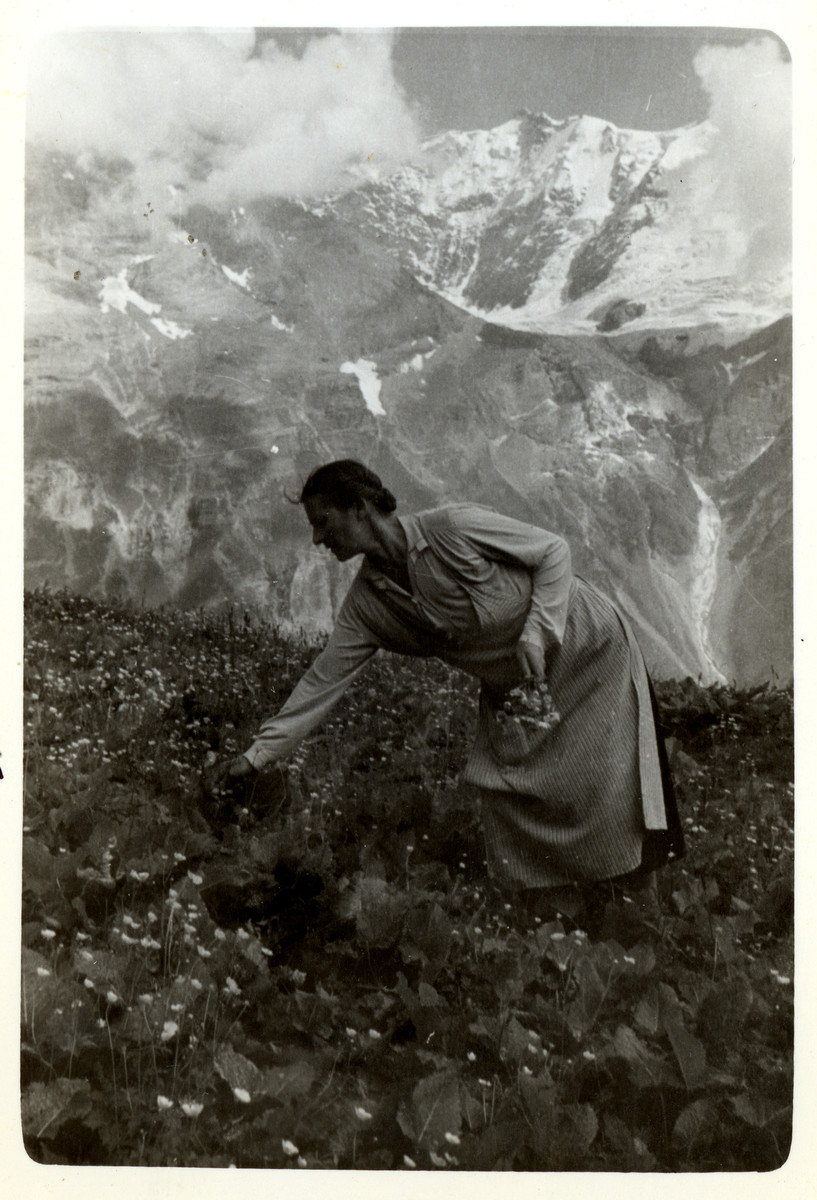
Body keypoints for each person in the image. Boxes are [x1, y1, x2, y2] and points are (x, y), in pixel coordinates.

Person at [210, 460, 683, 917]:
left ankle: (640, 906)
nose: (317, 538)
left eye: (323, 521)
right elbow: (322, 682)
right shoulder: (367, 606)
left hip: (585, 648)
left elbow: (553, 551)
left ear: (359, 507)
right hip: (517, 685)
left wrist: (536, 632)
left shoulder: (452, 528)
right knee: (509, 790)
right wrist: (255, 757)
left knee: (605, 784)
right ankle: (558, 914)